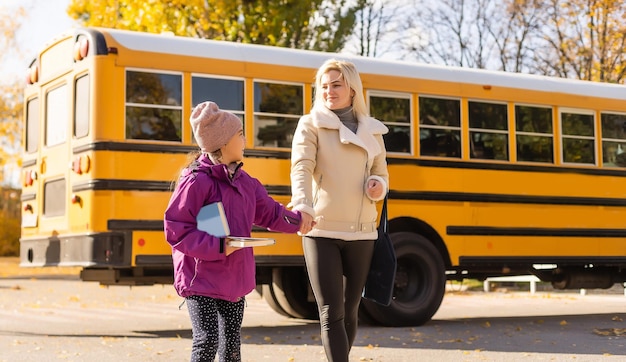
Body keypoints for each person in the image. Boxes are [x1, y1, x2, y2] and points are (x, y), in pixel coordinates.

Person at [164, 101, 302, 362]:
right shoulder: (195, 181)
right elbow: (176, 230)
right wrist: (218, 246)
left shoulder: (246, 182)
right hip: (200, 280)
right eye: (240, 134)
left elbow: (271, 213)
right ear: (224, 142)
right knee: (206, 342)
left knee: (231, 350)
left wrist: (299, 222)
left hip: (234, 280)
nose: (245, 139)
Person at [289, 59, 390, 362]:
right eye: (324, 86)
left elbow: (381, 173)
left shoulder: (373, 131)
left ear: (352, 89)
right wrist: (303, 205)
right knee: (330, 311)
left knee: (350, 310)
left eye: (336, 84)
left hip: (362, 231)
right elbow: (301, 168)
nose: (329, 91)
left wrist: (377, 185)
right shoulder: (311, 124)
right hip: (320, 229)